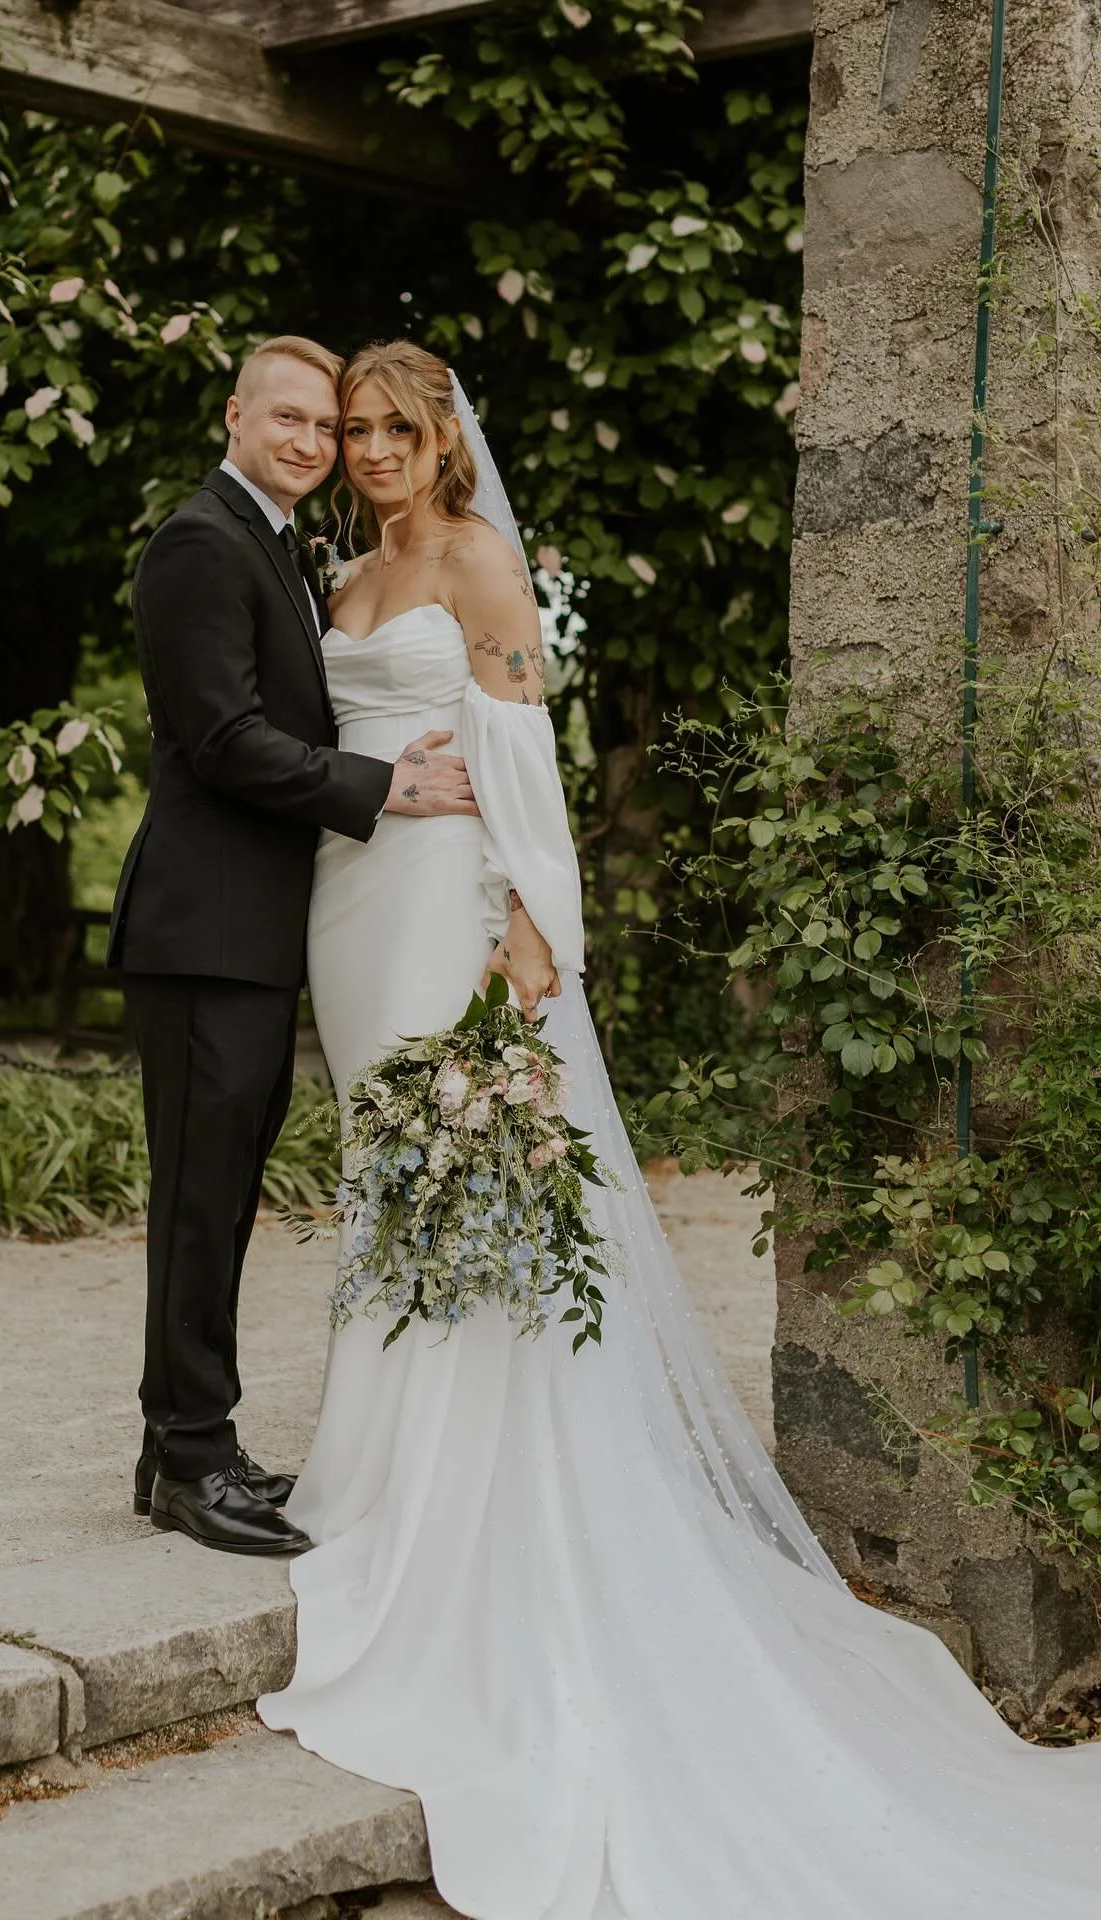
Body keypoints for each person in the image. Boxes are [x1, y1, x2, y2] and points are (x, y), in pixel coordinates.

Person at [258, 338, 1101, 1917]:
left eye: (393, 426)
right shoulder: (351, 560)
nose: (368, 448)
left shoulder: (480, 559)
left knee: (469, 1174)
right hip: (352, 897)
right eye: (353, 427)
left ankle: (464, 1481)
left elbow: (523, 759)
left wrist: (531, 931)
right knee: (394, 1170)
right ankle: (375, 1456)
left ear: (443, 436)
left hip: (453, 903)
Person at [107, 335, 479, 1558]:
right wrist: (383, 786)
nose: (317, 442)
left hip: (261, 934)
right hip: (207, 932)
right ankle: (191, 1461)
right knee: (198, 1203)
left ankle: (185, 1445)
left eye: (330, 425)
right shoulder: (199, 544)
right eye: (294, 418)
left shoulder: (279, 544)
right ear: (235, 415)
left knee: (217, 1199)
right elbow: (219, 739)